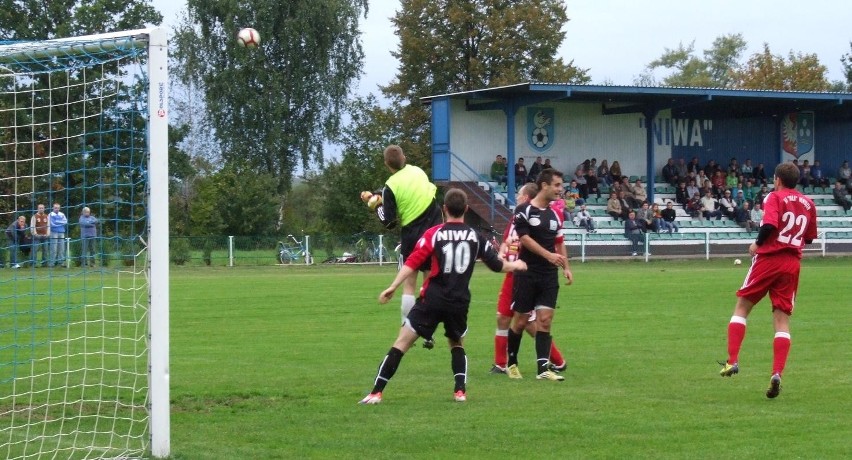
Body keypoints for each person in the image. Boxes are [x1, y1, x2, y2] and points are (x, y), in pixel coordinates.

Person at [358, 188, 528, 404]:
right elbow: (497, 265)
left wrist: (393, 286)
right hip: (459, 301)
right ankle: (460, 392)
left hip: (433, 298)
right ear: (466, 209)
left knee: (402, 343)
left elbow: (413, 261)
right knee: (456, 343)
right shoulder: (476, 236)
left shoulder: (434, 233)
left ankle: (376, 392)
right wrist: (517, 265)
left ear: (444, 209)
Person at [719, 162, 818, 399]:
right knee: (782, 320)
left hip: (769, 259)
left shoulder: (774, 197)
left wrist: (757, 244)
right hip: (792, 264)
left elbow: (770, 224)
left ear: (777, 179)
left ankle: (732, 361)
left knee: (742, 307)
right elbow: (810, 238)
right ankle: (776, 373)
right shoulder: (809, 203)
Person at [364, 145, 444, 347]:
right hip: (434, 233)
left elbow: (389, 221)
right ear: (404, 157)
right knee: (429, 284)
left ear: (386, 164)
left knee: (409, 285)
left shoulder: (390, 185)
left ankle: (408, 327)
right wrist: (378, 195)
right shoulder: (417, 171)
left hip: (412, 235)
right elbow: (409, 189)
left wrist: (375, 205)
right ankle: (428, 331)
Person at [504, 169, 573, 382]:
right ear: (545, 185)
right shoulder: (523, 210)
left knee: (545, 319)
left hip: (548, 275)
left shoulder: (555, 214)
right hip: (527, 273)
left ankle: (543, 368)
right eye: (557, 185)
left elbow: (559, 243)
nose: (560, 190)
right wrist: (548, 255)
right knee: (521, 321)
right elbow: (524, 239)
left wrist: (566, 267)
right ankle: (512, 363)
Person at [491, 183, 567, 374]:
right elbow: (508, 241)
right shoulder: (516, 217)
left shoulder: (535, 219)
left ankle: (557, 360)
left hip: (524, 274)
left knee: (527, 323)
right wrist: (502, 252)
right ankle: (500, 363)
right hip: (512, 272)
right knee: (503, 317)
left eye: (519, 194)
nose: (517, 197)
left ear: (526, 198)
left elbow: (550, 243)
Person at [48, 202, 68, 267]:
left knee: (61, 248)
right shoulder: (50, 214)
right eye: (55, 208)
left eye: (58, 208)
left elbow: (65, 222)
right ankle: (52, 263)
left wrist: (57, 222)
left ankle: (61, 262)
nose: (57, 209)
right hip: (53, 232)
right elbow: (52, 224)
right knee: (53, 248)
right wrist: (60, 222)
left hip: (61, 232)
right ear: (53, 208)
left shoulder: (62, 214)